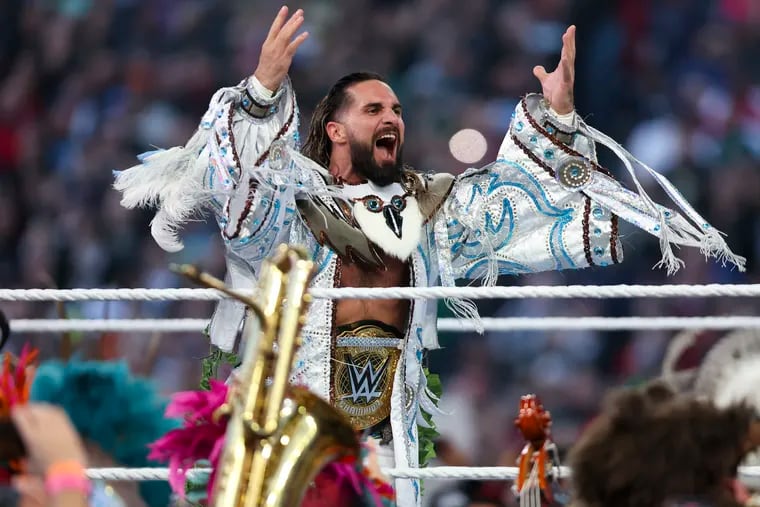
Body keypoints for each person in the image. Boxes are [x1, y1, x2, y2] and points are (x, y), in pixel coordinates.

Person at [114, 6, 745, 505]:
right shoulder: (293, 206)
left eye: (397, 108)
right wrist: (260, 96)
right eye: (373, 109)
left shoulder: (429, 214)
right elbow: (241, 197)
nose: (392, 117)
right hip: (287, 446)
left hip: (390, 460)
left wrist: (552, 121)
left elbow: (511, 202)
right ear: (335, 129)